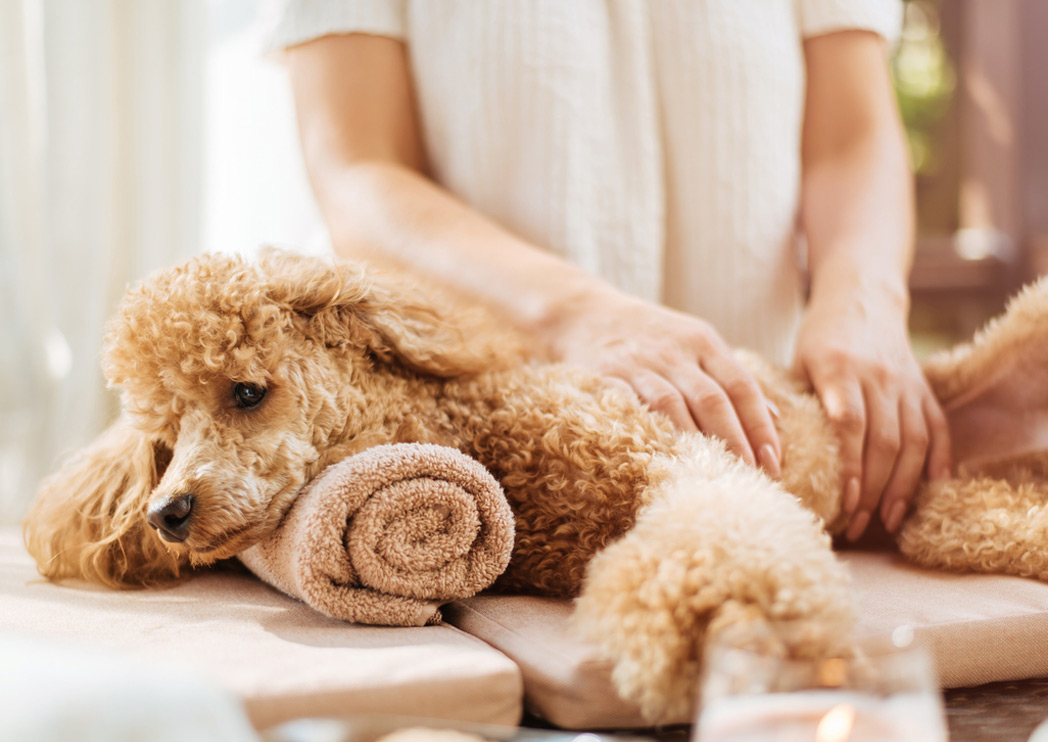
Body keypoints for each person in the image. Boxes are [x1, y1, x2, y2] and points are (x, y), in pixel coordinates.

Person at [267, 0, 951, 541]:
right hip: (489, 477)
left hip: (767, 467)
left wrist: (863, 298)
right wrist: (579, 316)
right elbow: (357, 169)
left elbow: (850, 138)